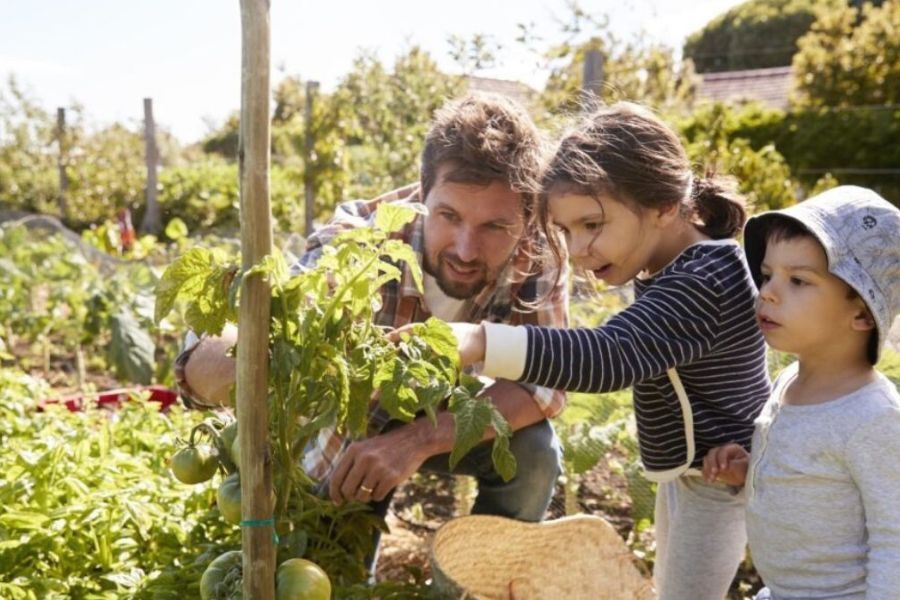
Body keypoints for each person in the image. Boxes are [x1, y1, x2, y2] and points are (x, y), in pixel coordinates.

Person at [174, 93, 568, 551]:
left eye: (494, 228)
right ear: (423, 193)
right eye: (449, 216)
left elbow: (545, 384)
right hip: (358, 423)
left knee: (534, 452)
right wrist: (225, 353)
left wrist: (417, 440)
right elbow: (278, 327)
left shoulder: (539, 252)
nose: (465, 248)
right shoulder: (363, 241)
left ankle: (482, 578)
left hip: (451, 412)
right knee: (333, 567)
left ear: (526, 218)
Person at [440, 102, 771, 599]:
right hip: (693, 474)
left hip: (719, 480)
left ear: (663, 205)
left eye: (592, 225)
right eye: (566, 230)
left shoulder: (704, 280)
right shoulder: (674, 267)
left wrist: (480, 341)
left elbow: (609, 355)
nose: (576, 250)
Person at [702, 186, 900, 599]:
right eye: (768, 274)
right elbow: (817, 478)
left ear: (861, 311)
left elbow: (894, 539)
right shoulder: (790, 381)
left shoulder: (874, 418)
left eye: (798, 280)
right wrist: (753, 470)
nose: (769, 292)